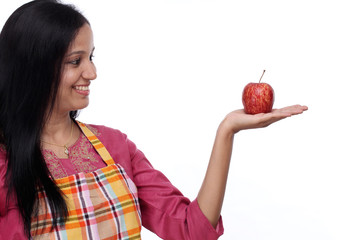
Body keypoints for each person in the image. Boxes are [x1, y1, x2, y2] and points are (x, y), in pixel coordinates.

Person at [0, 0, 308, 239]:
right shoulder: (5, 163)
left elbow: (193, 231)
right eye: (75, 61)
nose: (92, 73)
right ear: (34, 68)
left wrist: (227, 131)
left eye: (91, 57)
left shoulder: (115, 146)